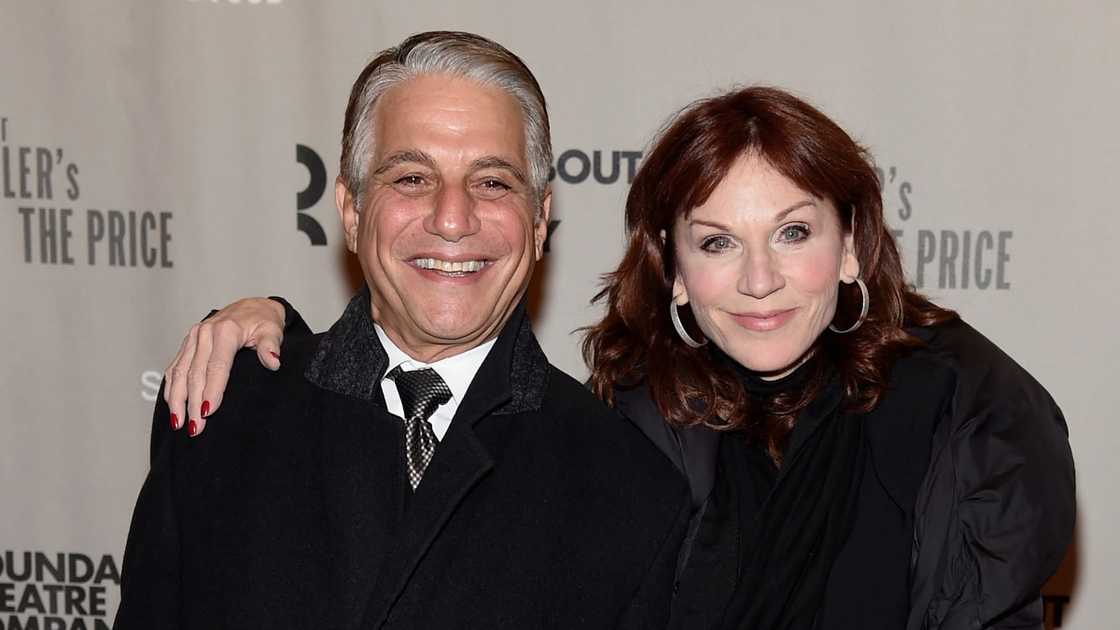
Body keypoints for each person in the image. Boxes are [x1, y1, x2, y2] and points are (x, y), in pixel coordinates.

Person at [165, 87, 1075, 629]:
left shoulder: (973, 419)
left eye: (793, 232)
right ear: (674, 272)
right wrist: (269, 323)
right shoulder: (638, 418)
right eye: (717, 242)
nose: (759, 280)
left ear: (849, 247)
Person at [115, 31, 692, 630]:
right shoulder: (221, 411)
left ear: (541, 220)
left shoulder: (627, 490)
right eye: (412, 177)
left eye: (492, 182)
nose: (451, 218)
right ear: (352, 210)